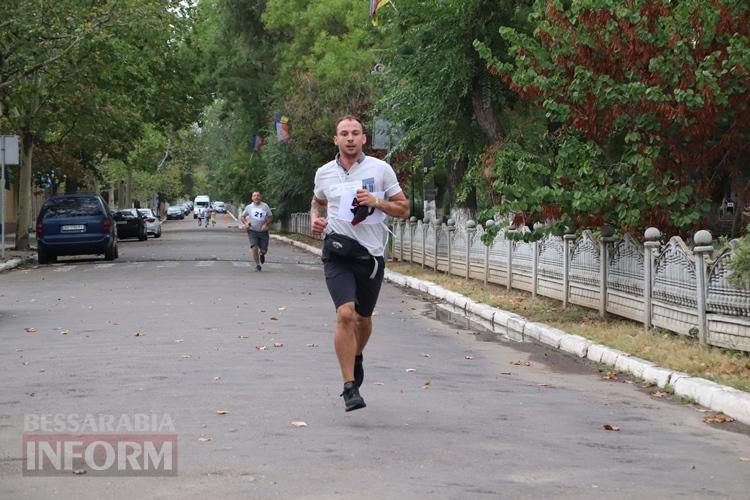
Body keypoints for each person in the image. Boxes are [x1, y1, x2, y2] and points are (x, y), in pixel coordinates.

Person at [311, 115, 409, 412]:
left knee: (363, 319)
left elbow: (404, 209)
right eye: (344, 133)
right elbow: (317, 201)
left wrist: (377, 202)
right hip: (337, 253)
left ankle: (355, 355)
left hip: (370, 257)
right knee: (345, 315)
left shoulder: (381, 170)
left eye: (355, 133)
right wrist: (316, 219)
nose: (350, 138)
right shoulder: (324, 173)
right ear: (336, 139)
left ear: (364, 138)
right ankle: (349, 387)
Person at [240, 192, 273, 271]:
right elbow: (242, 216)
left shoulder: (265, 206)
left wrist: (266, 224)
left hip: (263, 231)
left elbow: (270, 217)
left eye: (258, 196)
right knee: (254, 246)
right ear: (252, 198)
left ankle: (262, 254)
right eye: (254, 196)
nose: (256, 197)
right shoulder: (249, 207)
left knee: (264, 250)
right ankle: (258, 265)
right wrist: (246, 223)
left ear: (260, 197)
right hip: (252, 231)